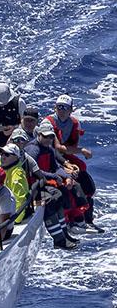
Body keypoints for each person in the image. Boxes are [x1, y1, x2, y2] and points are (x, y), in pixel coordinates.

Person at [41, 95, 100, 231]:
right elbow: (57, 147)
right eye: (58, 107)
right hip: (50, 156)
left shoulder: (74, 123)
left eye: (65, 107)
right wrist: (82, 151)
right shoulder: (48, 122)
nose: (61, 110)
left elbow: (71, 147)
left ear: (71, 110)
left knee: (85, 180)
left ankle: (87, 219)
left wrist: (70, 162)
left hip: (64, 157)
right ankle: (70, 220)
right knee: (70, 183)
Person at [23, 125, 82, 249]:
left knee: (60, 195)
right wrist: (55, 176)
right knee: (51, 199)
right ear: (38, 135)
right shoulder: (33, 150)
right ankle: (59, 240)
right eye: (45, 136)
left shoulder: (48, 148)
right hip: (34, 185)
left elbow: (55, 166)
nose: (49, 139)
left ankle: (64, 234)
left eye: (51, 137)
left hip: (44, 182)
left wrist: (67, 177)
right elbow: (35, 171)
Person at [0, 142, 30, 222]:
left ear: (16, 157)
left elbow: (19, 201)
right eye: (2, 154)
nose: (3, 157)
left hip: (6, 216)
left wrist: (13, 221)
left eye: (7, 155)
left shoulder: (17, 174)